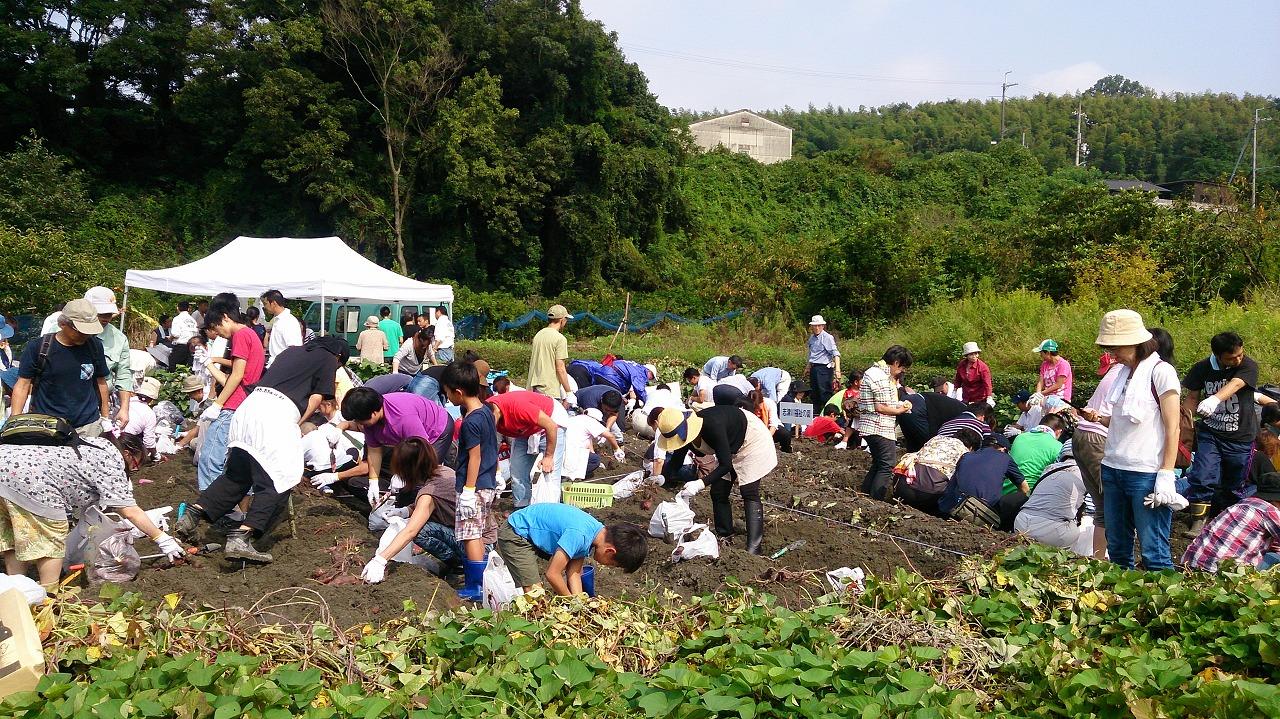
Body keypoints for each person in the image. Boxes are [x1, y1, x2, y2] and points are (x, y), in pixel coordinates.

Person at [173, 337, 349, 563]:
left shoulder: (291, 350)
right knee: (281, 477)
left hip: (248, 409)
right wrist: (296, 425)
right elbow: (316, 397)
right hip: (276, 415)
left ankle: (192, 515)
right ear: (338, 357)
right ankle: (242, 536)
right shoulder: (327, 357)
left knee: (237, 475)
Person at [0, 436, 186, 585]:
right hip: (31, 481)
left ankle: (17, 589)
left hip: (5, 463)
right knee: (51, 540)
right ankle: (49, 597)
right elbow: (128, 510)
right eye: (135, 465)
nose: (132, 470)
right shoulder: (110, 460)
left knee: (14, 536)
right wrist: (161, 538)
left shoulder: (94, 443)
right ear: (128, 454)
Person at [1079, 309, 1184, 571]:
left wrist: (1166, 473)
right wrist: (1099, 419)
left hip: (1144, 473)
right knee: (1117, 547)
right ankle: (1122, 602)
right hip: (1113, 467)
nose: (1113, 353)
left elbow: (1173, 428)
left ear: (1136, 341)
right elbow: (1126, 421)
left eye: (1116, 347)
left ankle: (1166, 608)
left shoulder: (1161, 372)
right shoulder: (1123, 375)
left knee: (1153, 550)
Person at [1180, 331, 1274, 536]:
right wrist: (1183, 422)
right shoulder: (1202, 368)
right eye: (1232, 358)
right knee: (1203, 475)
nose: (1238, 359)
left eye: (1240, 354)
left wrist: (1214, 399)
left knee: (1234, 483)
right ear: (1218, 355)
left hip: (1241, 436)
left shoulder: (1248, 366)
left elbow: (1237, 384)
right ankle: (1198, 520)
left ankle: (1224, 519)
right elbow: (1192, 398)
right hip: (1211, 433)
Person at [658, 404, 777, 554]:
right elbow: (677, 460)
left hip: (751, 440)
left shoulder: (712, 426)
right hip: (731, 446)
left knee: (748, 491)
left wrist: (701, 483)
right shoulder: (683, 434)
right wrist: (662, 478)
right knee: (718, 492)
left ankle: (754, 547)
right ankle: (725, 534)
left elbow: (726, 465)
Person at [360, 438, 462, 583]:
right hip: (475, 537)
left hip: (475, 547)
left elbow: (411, 531)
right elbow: (430, 506)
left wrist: (380, 560)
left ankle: (459, 565)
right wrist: (404, 511)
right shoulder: (444, 471)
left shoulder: (429, 493)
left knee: (421, 531)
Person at [8, 299, 110, 438]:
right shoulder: (39, 348)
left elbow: (101, 381)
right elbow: (23, 384)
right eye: (80, 331)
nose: (85, 335)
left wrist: (105, 417)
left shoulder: (94, 346)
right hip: (48, 425)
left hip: (88, 425)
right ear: (62, 324)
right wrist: (15, 420)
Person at [440, 361, 499, 600]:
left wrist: (468, 490)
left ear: (458, 392)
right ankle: (482, 582)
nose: (447, 397)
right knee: (478, 531)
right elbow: (491, 448)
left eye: (447, 392)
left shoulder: (470, 422)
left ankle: (477, 586)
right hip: (487, 481)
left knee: (470, 534)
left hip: (474, 486)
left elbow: (474, 457)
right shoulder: (486, 411)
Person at [497, 503, 647, 595]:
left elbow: (573, 573)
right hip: (516, 533)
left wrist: (579, 605)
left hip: (534, 534)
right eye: (613, 564)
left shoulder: (594, 533)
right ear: (610, 551)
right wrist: (569, 601)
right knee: (535, 594)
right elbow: (553, 574)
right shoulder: (579, 535)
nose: (607, 566)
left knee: (542, 593)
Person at [194, 301, 266, 491]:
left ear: (225, 317)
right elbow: (232, 379)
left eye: (217, 327)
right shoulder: (250, 333)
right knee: (237, 461)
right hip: (246, 402)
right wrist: (209, 363)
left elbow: (237, 375)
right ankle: (234, 507)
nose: (217, 333)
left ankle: (211, 504)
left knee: (210, 457)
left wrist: (217, 404)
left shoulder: (240, 335)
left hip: (234, 405)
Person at [340, 387, 454, 505]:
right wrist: (373, 482)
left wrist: (403, 474)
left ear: (374, 413)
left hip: (435, 431)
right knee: (408, 483)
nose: (358, 424)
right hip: (410, 439)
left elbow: (420, 449)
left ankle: (422, 513)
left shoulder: (403, 417)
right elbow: (374, 452)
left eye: (360, 420)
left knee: (421, 477)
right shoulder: (370, 422)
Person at [1182, 471, 1280, 573]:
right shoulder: (1270, 511)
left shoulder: (1244, 504)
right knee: (1272, 560)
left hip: (1191, 564)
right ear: (1275, 500)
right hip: (1220, 573)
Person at [488, 390, 569, 509]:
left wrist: (549, 457)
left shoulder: (518, 408)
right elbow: (490, 445)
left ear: (496, 412)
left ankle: (551, 510)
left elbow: (551, 425)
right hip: (524, 429)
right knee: (517, 471)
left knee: (550, 472)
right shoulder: (484, 412)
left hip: (551, 422)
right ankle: (521, 509)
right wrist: (497, 473)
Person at [1014, 443, 1092, 555]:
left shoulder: (1049, 468)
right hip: (1053, 533)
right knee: (1090, 524)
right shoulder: (1086, 474)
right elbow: (1094, 509)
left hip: (1021, 522)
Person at [857, 346, 914, 500]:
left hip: (871, 426)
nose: (902, 371)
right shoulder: (880, 376)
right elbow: (881, 407)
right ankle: (876, 500)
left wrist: (899, 406)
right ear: (896, 362)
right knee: (887, 465)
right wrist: (900, 410)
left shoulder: (875, 372)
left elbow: (884, 403)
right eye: (902, 367)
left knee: (879, 463)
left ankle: (865, 495)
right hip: (879, 426)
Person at [893, 428, 982, 515]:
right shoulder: (966, 452)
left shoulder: (937, 438)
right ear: (971, 447)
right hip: (930, 495)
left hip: (903, 487)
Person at [939, 434, 1024, 524]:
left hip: (950, 509)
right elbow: (1024, 489)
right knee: (1021, 497)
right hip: (979, 514)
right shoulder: (1005, 458)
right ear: (1003, 449)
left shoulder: (966, 456)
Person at [82, 287, 135, 430]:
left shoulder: (118, 339)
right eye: (101, 313)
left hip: (99, 404)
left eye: (109, 313)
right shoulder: (65, 332)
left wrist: (124, 409)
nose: (106, 317)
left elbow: (123, 375)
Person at [1009, 414, 1066, 495]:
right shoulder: (1058, 447)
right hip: (1030, 495)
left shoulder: (1020, 437)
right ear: (1059, 431)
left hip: (1006, 489)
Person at [564, 408, 623, 480]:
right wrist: (617, 449)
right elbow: (610, 436)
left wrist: (593, 453)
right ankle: (574, 475)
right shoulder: (590, 421)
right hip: (572, 453)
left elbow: (589, 442)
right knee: (595, 460)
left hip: (562, 451)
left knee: (593, 457)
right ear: (596, 419)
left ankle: (568, 473)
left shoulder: (573, 419)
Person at [528, 305, 573, 399]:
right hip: (548, 390)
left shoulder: (539, 334)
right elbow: (560, 368)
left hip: (533, 388)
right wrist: (568, 392)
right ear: (562, 319)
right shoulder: (560, 339)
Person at [119, 376, 162, 462]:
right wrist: (156, 456)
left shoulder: (122, 403)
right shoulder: (149, 413)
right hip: (126, 442)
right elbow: (149, 442)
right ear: (151, 399)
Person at [805, 315, 841, 413]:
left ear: (823, 326)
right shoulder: (812, 338)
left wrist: (838, 370)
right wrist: (808, 367)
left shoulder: (827, 337)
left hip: (824, 368)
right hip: (814, 367)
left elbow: (835, 354)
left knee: (824, 393)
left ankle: (828, 414)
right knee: (814, 393)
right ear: (812, 327)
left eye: (819, 326)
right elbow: (811, 354)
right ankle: (816, 414)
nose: (817, 328)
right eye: (815, 326)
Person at [260, 290, 302, 368]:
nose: (264, 307)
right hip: (274, 366)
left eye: (265, 304)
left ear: (273, 303)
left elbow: (294, 349)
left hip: (283, 368)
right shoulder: (278, 320)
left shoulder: (288, 321)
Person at [1033, 339, 1073, 403]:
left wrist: (1041, 394)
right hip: (1048, 399)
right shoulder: (1044, 364)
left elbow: (1058, 385)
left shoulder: (1063, 364)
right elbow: (1041, 381)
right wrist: (1037, 394)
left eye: (1041, 353)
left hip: (1061, 400)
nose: (1040, 355)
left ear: (1048, 353)